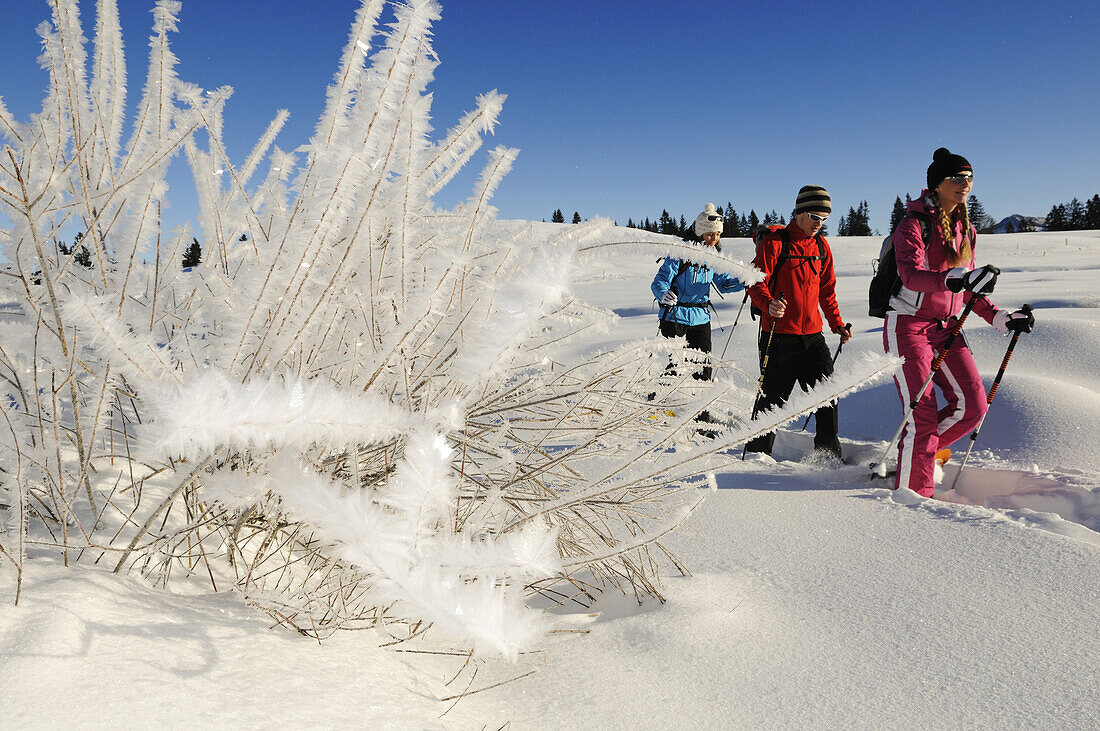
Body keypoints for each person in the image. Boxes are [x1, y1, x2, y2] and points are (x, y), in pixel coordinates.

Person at [884, 148, 1035, 497]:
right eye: (956, 178)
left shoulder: (965, 229)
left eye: (969, 177)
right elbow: (910, 275)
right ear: (936, 185)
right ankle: (913, 498)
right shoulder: (913, 224)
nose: (964, 183)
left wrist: (1000, 317)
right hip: (908, 324)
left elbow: (968, 288)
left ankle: (920, 455)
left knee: (974, 406)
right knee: (921, 416)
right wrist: (952, 279)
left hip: (947, 326)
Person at [744, 185, 851, 458]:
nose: (819, 224)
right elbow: (754, 282)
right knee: (772, 401)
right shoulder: (776, 242)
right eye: (815, 217)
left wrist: (836, 323)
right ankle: (756, 455)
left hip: (813, 336)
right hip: (778, 335)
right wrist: (768, 304)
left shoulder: (821, 246)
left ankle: (828, 455)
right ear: (800, 212)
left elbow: (827, 290)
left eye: (825, 219)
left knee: (827, 397)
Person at [650, 203, 745, 422]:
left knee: (704, 368)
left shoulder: (714, 256)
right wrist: (663, 294)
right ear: (700, 231)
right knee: (674, 367)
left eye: (718, 235)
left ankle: (701, 418)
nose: (714, 239)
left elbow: (722, 283)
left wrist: (744, 280)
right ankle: (658, 408)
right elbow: (660, 280)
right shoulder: (681, 253)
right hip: (675, 316)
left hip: (701, 318)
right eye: (710, 234)